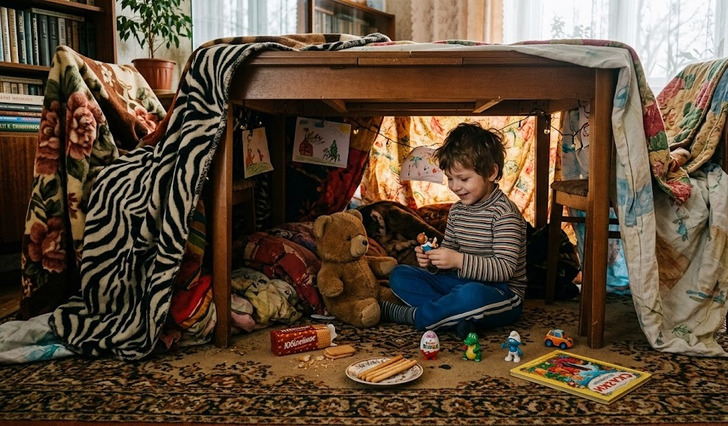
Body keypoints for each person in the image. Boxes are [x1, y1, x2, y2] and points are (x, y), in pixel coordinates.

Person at [381, 122, 527, 338]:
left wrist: (458, 260)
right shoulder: (457, 211)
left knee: (471, 295)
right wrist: (433, 260)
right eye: (450, 178)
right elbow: (448, 257)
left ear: (491, 172)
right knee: (400, 275)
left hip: (501, 293)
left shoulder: (505, 214)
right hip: (459, 283)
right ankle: (456, 316)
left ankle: (418, 316)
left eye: (464, 179)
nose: (455, 186)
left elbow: (504, 269)